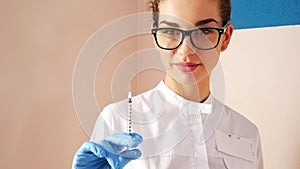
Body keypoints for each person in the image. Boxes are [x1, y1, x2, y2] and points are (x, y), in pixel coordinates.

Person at [72, 0, 264, 168]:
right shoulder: (117, 120)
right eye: (171, 31)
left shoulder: (247, 133)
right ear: (155, 36)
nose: (186, 51)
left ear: (225, 38)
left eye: (204, 31)